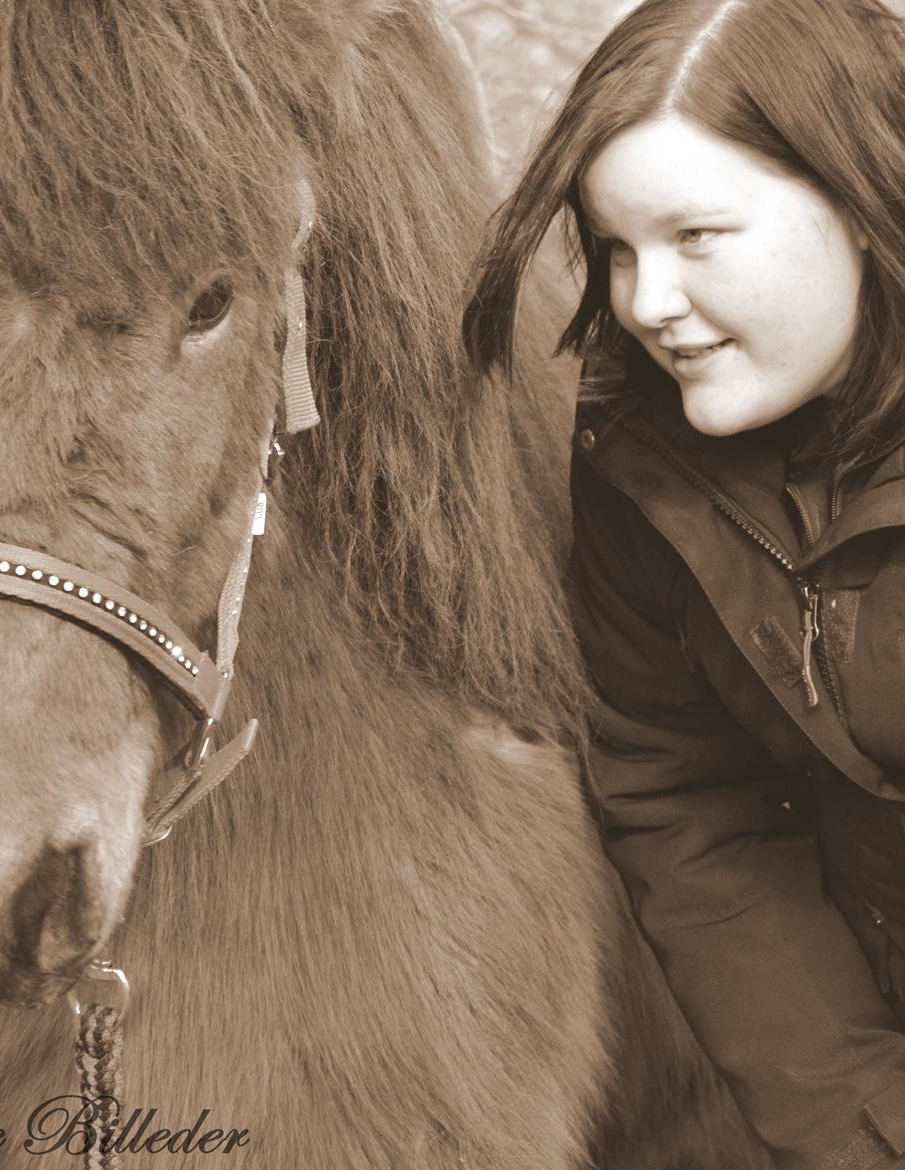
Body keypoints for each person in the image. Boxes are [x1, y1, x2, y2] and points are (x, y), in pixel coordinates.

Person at [462, 1, 905, 1167]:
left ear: (863, 198)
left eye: (697, 235)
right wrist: (864, 1133)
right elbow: (687, 798)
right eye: (615, 249)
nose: (644, 301)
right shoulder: (638, 455)